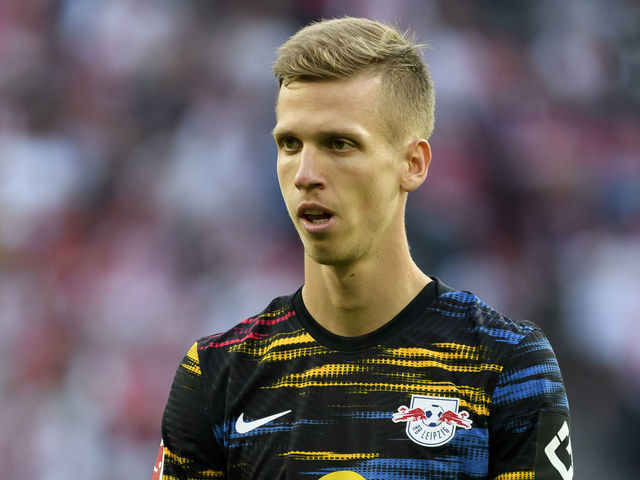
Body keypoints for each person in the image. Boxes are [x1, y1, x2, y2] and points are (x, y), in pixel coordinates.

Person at [153, 17, 573, 480]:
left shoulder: (506, 363)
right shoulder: (217, 375)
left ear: (412, 164)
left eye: (339, 144)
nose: (305, 173)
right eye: (289, 144)